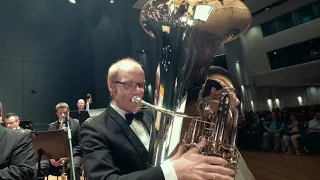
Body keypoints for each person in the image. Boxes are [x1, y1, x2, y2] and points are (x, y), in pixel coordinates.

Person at [80, 58, 234, 180]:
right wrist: (171, 172)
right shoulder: (94, 128)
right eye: (130, 85)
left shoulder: (151, 113)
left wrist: (212, 106)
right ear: (112, 88)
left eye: (141, 85)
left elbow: (183, 139)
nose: (139, 92)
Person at [40, 102, 82, 180]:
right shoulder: (52, 126)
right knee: (38, 168)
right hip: (55, 157)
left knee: (73, 168)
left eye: (65, 113)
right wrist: (51, 159)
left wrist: (68, 156)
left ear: (68, 112)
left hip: (72, 155)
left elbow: (80, 144)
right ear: (57, 113)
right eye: (60, 113)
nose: (63, 115)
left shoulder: (76, 124)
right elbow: (48, 145)